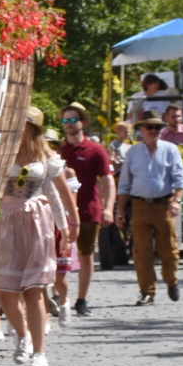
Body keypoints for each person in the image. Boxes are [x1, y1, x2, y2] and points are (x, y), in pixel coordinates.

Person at [0, 109, 77, 366]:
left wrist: (67, 228)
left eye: (23, 124)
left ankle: (40, 352)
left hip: (36, 224)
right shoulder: (1, 153)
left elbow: (56, 194)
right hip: (4, 222)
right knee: (6, 290)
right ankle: (21, 335)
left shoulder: (46, 157)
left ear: (32, 128)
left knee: (34, 289)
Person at [116, 114, 183, 305]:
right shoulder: (133, 152)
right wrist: (120, 211)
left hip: (164, 205)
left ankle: (172, 281)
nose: (154, 131)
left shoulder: (170, 149)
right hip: (139, 206)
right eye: (150, 127)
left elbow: (180, 179)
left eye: (157, 128)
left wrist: (176, 200)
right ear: (141, 130)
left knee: (168, 250)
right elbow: (124, 184)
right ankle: (147, 292)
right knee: (141, 251)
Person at [57, 102, 114, 317]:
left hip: (89, 209)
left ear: (82, 122)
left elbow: (108, 181)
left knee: (86, 254)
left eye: (73, 120)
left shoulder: (95, 150)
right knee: (57, 254)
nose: (69, 124)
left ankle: (81, 299)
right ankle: (59, 296)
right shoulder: (59, 149)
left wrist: (108, 207)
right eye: (65, 121)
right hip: (61, 211)